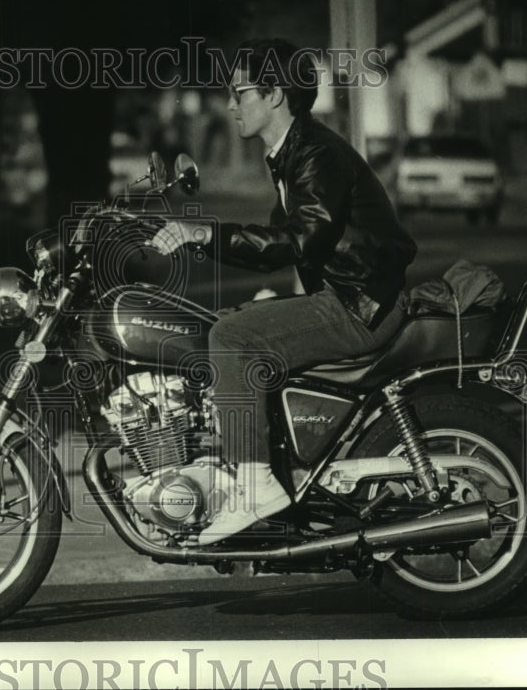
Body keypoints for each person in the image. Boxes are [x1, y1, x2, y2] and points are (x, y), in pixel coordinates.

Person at [150, 38, 417, 544]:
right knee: (235, 320)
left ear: (275, 95)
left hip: (360, 307)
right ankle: (263, 469)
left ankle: (255, 486)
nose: (230, 104)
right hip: (350, 296)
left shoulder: (316, 153)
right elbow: (305, 248)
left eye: (240, 92)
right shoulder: (292, 154)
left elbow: (298, 238)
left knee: (231, 338)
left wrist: (206, 233)